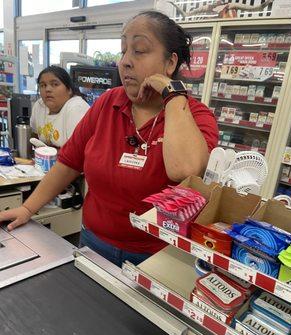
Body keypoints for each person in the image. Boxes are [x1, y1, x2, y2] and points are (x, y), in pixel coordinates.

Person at [0, 10, 218, 267]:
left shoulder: (194, 116)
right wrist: (28, 209)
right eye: (123, 50)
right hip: (94, 242)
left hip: (159, 258)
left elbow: (185, 169)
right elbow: (69, 163)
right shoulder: (108, 103)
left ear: (170, 63)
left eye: (139, 50)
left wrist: (172, 94)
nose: (125, 61)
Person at [30, 65, 90, 147]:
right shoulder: (39, 106)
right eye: (43, 85)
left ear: (69, 89)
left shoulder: (76, 108)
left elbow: (77, 153)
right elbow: (34, 137)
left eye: (55, 84)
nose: (47, 89)